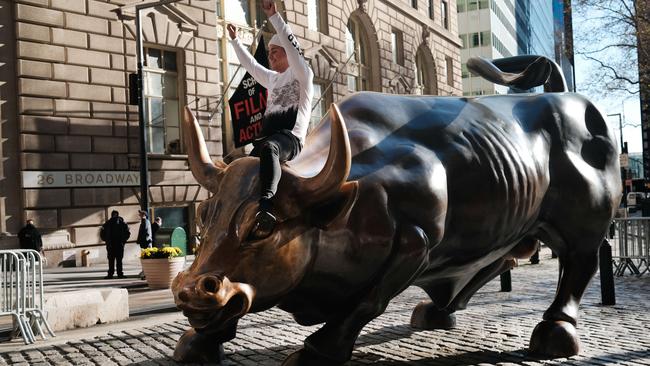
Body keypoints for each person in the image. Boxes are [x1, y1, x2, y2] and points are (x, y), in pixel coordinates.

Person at [227, 0, 314, 240]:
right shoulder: (273, 79)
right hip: (266, 140)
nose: (270, 56)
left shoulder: (302, 74)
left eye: (275, 52)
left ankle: (267, 205)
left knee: (270, 148)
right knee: (240, 170)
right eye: (269, 53)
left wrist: (275, 17)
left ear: (288, 54)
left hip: (289, 139)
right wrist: (235, 42)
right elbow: (251, 65)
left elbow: (293, 48)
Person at [100, 210, 130, 279]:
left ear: (112, 215)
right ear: (118, 215)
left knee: (111, 260)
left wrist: (107, 241)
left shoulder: (107, 223)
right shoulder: (123, 223)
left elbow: (102, 234)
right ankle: (120, 274)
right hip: (119, 245)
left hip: (111, 245)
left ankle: (110, 274)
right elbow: (127, 234)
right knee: (119, 260)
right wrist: (123, 241)